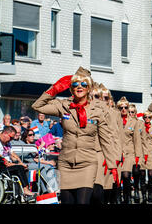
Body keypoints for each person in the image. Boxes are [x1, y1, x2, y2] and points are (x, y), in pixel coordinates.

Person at [31, 67, 119, 204]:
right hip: (66, 163)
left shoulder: (97, 110)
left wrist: (112, 165)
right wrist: (55, 89)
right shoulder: (64, 106)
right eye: (75, 84)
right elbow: (37, 106)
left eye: (84, 84)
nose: (79, 87)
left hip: (87, 163)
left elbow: (106, 140)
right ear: (71, 88)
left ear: (89, 88)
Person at [0, 130, 36, 198]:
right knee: (19, 168)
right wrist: (4, 162)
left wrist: (5, 161)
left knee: (21, 168)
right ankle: (25, 190)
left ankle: (23, 191)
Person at [116, 96, 143, 204]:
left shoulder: (133, 122)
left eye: (125, 107)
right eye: (121, 107)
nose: (123, 109)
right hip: (116, 152)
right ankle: (117, 197)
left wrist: (138, 158)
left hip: (129, 153)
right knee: (117, 177)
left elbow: (137, 140)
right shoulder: (114, 120)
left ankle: (127, 198)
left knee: (126, 175)